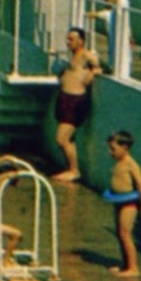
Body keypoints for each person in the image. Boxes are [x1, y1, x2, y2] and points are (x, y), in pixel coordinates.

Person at [50, 27, 101, 183]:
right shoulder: (73, 56)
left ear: (81, 41)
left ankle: (74, 170)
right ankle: (70, 169)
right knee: (68, 139)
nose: (68, 42)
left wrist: (92, 73)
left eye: (71, 39)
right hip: (65, 99)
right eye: (67, 39)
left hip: (75, 101)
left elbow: (99, 66)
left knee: (61, 139)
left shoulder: (86, 55)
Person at [104, 130, 141, 276]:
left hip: (129, 204)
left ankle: (133, 268)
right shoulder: (119, 163)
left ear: (125, 148)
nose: (110, 152)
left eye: (113, 149)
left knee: (125, 234)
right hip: (119, 201)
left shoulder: (131, 164)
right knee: (120, 233)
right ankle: (125, 265)